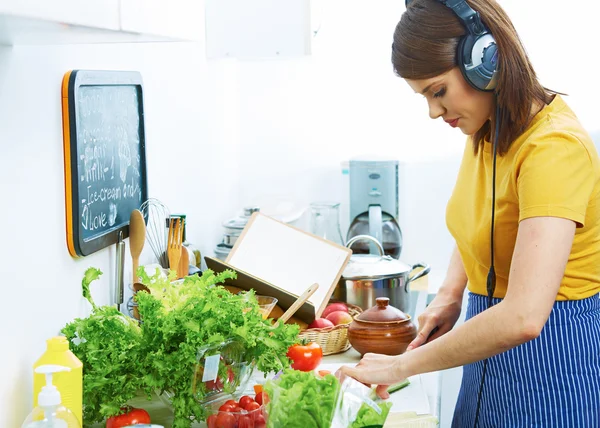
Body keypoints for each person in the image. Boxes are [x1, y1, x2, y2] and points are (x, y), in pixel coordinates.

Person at [336, 0, 600, 427]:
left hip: (550, 363)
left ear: (486, 61)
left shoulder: (554, 149)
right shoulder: (487, 128)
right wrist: (451, 293)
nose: (434, 111)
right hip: (484, 349)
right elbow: (484, 223)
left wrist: (402, 366)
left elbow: (524, 317)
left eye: (437, 91)